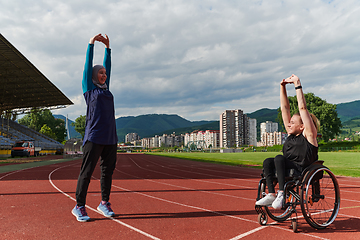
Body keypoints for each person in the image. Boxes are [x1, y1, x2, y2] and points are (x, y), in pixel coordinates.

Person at [72, 34, 118, 222]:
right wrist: (91, 44)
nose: (104, 75)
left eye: (105, 73)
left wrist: (108, 48)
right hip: (93, 136)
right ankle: (79, 206)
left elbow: (109, 67)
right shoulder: (89, 89)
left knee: (107, 171)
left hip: (110, 137)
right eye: (100, 72)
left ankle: (104, 203)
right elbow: (87, 66)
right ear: (93, 76)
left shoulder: (106, 90)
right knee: (87, 172)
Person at [255, 74, 320, 209]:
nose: (288, 125)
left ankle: (281, 194)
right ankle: (272, 194)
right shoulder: (291, 134)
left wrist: (297, 84)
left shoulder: (309, 135)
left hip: (301, 169)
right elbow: (285, 109)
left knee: (279, 158)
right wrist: (282, 87)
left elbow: (302, 109)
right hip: (287, 167)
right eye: (289, 123)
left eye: (292, 123)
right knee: (268, 161)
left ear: (302, 126)